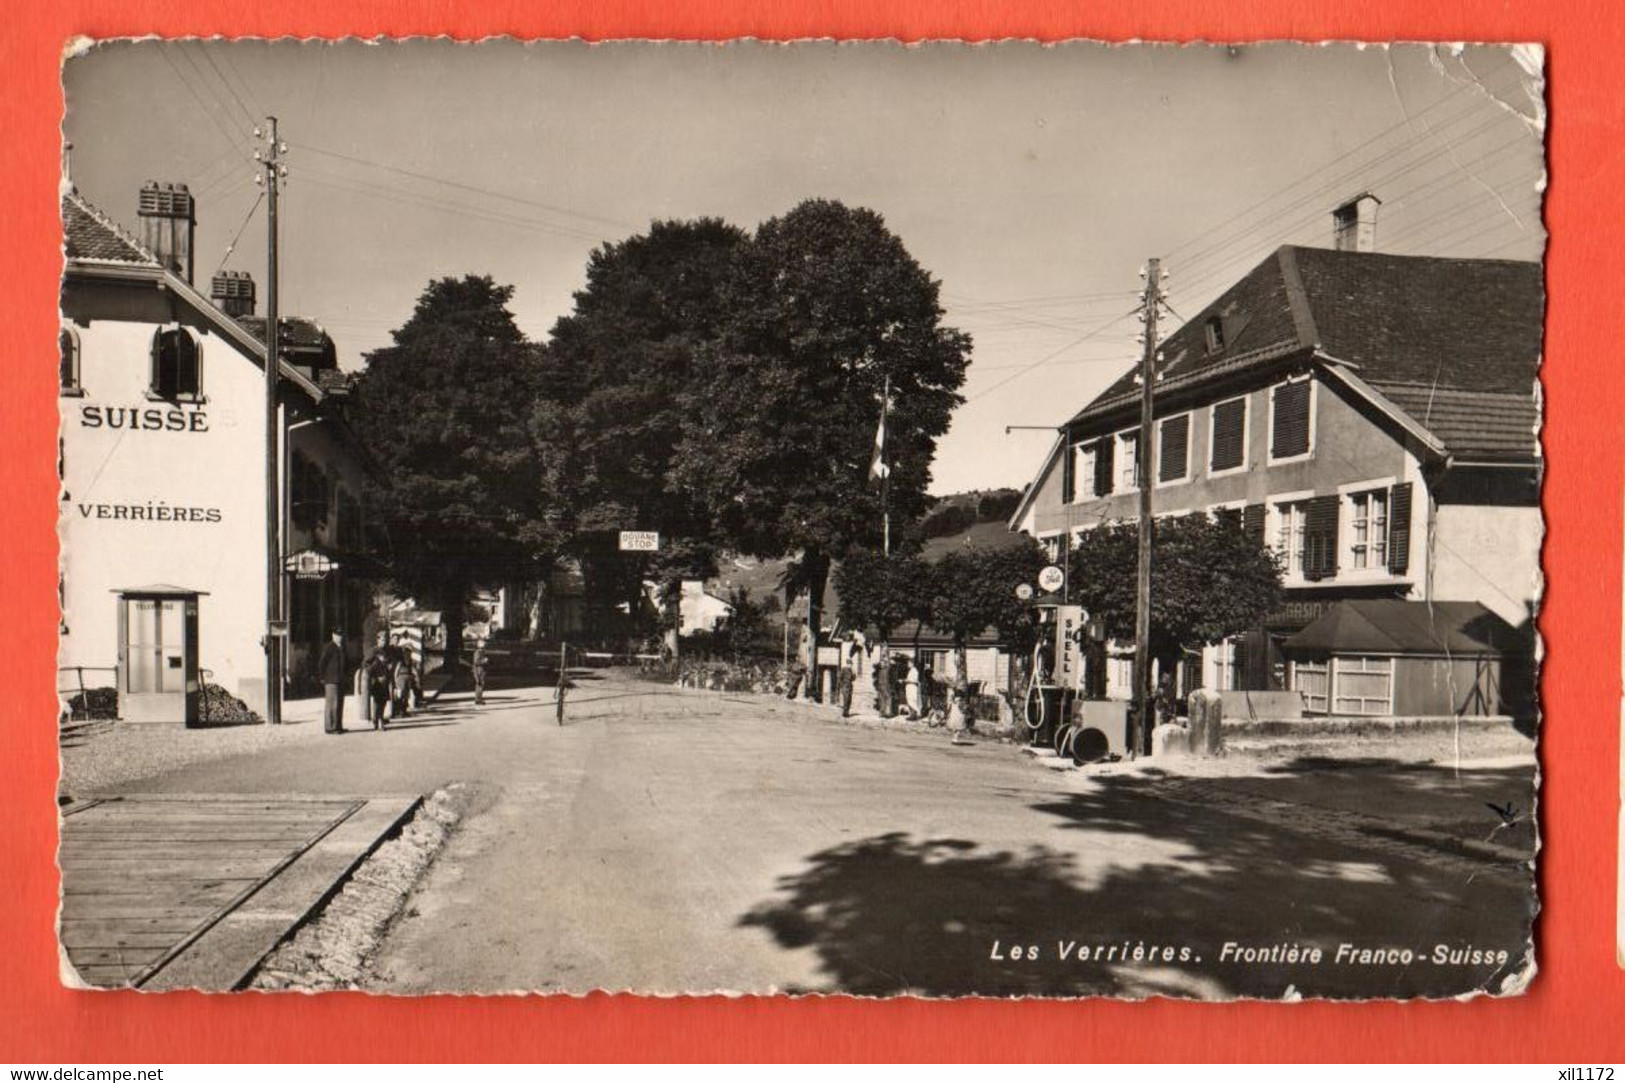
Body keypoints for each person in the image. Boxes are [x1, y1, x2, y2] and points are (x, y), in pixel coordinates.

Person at [318, 630, 347, 735]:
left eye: (341, 635)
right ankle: (330, 727)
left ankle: (338, 726)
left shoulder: (342, 647)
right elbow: (322, 662)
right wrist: (322, 677)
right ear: (333, 635)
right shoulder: (329, 647)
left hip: (340, 679)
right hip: (331, 680)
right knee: (332, 704)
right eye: (338, 635)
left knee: (339, 703)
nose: (340, 637)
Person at [364, 634, 393, 731]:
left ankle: (377, 720)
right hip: (377, 681)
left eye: (385, 640)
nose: (384, 642)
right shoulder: (373, 651)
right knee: (378, 702)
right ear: (378, 640)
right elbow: (366, 664)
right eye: (382, 640)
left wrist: (389, 666)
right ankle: (378, 721)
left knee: (383, 701)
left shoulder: (386, 651)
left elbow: (388, 662)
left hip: (385, 680)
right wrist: (375, 677)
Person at [471, 640, 489, 706]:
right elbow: (476, 662)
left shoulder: (482, 652)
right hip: (479, 670)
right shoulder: (477, 652)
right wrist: (484, 661)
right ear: (479, 645)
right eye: (483, 644)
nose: (484, 645)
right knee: (479, 684)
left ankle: (479, 698)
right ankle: (478, 699)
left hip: (482, 669)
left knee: (481, 684)